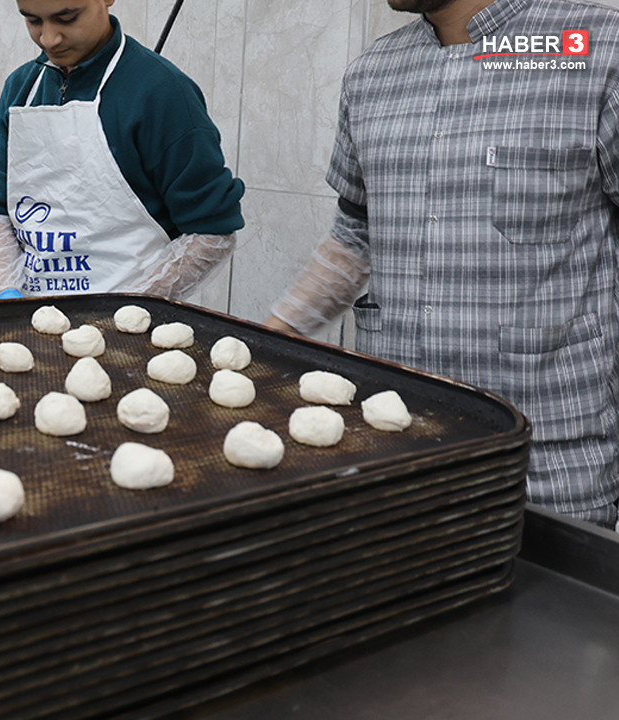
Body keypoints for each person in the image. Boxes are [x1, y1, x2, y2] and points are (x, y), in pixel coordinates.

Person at [265, 0, 619, 529]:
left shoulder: (599, 48)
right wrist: (267, 338)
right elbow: (356, 233)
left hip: (547, 470)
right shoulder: (372, 74)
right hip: (392, 452)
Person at [0, 0, 245, 301]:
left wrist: (129, 310)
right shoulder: (22, 88)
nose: (49, 39)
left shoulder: (161, 91)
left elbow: (211, 231)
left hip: (127, 336)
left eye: (66, 18)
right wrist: (4, 292)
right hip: (28, 320)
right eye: (33, 21)